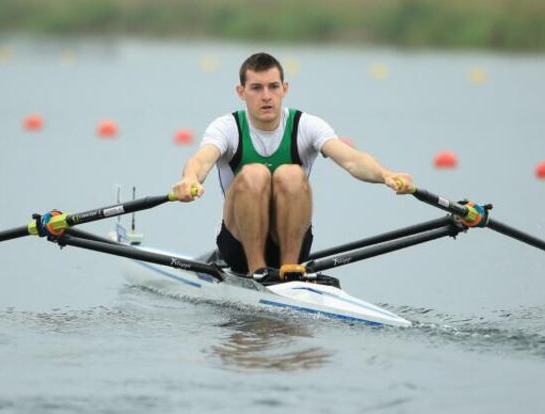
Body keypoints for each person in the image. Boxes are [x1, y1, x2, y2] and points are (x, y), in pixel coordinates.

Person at [171, 52, 414, 283]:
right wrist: (190, 178)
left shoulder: (307, 125)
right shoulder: (227, 127)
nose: (266, 96)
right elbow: (201, 160)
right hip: (238, 246)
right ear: (241, 92)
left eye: (273, 86)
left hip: (292, 245)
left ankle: (290, 273)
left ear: (284, 89)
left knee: (291, 174)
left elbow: (352, 160)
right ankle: (258, 272)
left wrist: (386, 175)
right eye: (256, 88)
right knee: (255, 173)